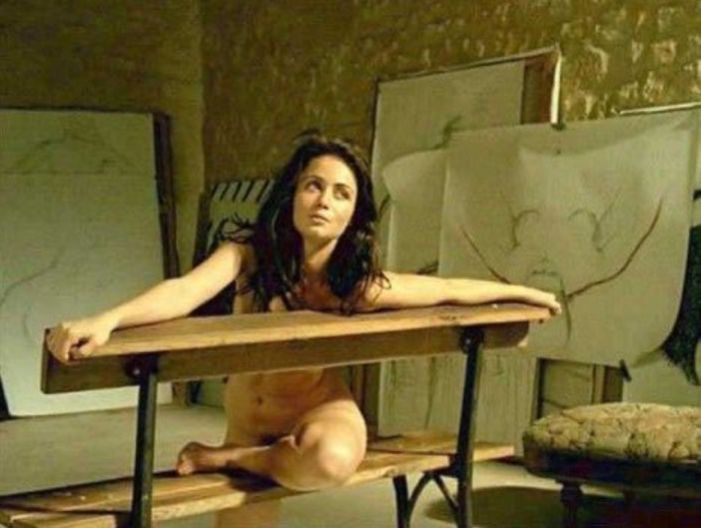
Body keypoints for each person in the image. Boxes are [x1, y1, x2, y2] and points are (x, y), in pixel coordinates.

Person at [47, 132, 561, 527]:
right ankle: (244, 454)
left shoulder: (354, 286)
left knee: (332, 461)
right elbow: (182, 291)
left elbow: (446, 289)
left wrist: (527, 295)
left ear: (352, 214)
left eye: (341, 193)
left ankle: (229, 459)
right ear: (292, 193)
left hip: (318, 414)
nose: (324, 201)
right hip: (249, 422)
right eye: (314, 185)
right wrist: (107, 319)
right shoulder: (246, 257)